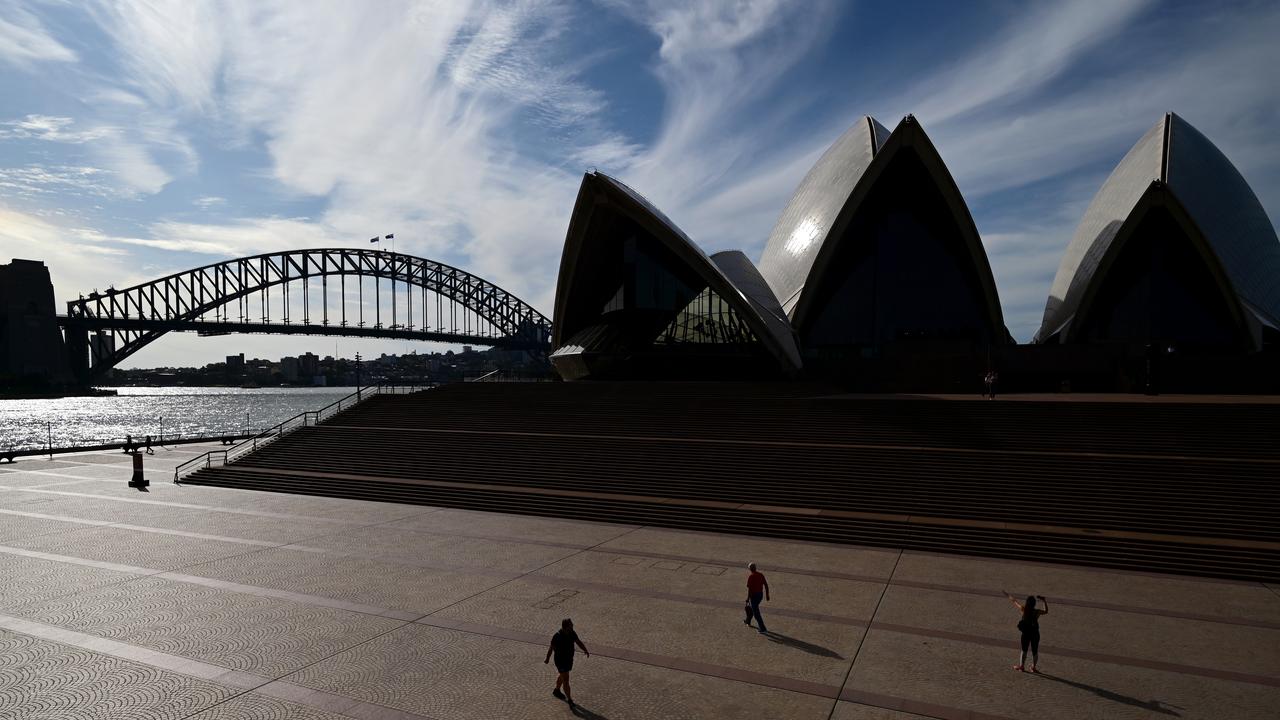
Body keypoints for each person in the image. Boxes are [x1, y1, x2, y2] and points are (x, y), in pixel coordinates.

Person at [544, 618, 589, 708]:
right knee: (566, 679)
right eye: (571, 624)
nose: (573, 625)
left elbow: (578, 641)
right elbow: (551, 648)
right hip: (560, 661)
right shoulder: (557, 636)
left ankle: (556, 690)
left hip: (568, 659)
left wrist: (585, 650)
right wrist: (547, 658)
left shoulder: (572, 632)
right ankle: (569, 700)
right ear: (566, 627)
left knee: (563, 675)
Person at [1004, 590, 1048, 672]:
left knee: (1024, 650)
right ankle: (1034, 667)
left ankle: (1021, 666)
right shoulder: (1036, 611)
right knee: (1035, 651)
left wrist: (1008, 595)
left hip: (1026, 633)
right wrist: (1044, 601)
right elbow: (1046, 611)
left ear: (1027, 602)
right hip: (1035, 633)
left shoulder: (1023, 609)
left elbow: (1015, 601)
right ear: (1034, 603)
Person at [744, 562, 770, 634]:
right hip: (760, 595)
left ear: (749, 569)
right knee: (753, 608)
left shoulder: (751, 577)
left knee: (756, 613)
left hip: (754, 596)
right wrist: (767, 595)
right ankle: (747, 621)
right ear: (755, 568)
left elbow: (750, 589)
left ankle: (763, 628)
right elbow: (766, 585)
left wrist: (748, 598)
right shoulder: (760, 575)